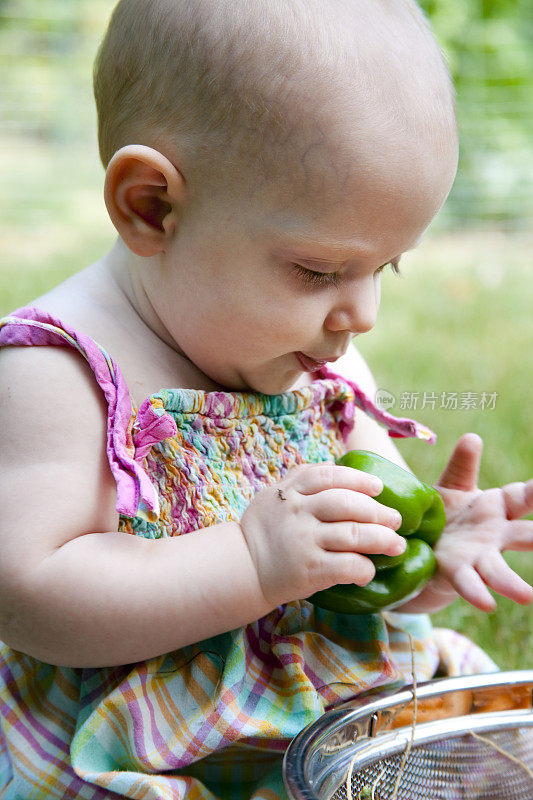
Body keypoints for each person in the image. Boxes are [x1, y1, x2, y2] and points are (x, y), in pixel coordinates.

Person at [0, 1, 532, 798]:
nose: (361, 316)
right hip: (158, 745)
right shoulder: (60, 370)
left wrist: (425, 563)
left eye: (384, 268)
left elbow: (358, 567)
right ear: (152, 206)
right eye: (318, 271)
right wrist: (250, 562)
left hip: (353, 719)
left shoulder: (313, 361)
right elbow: (31, 597)